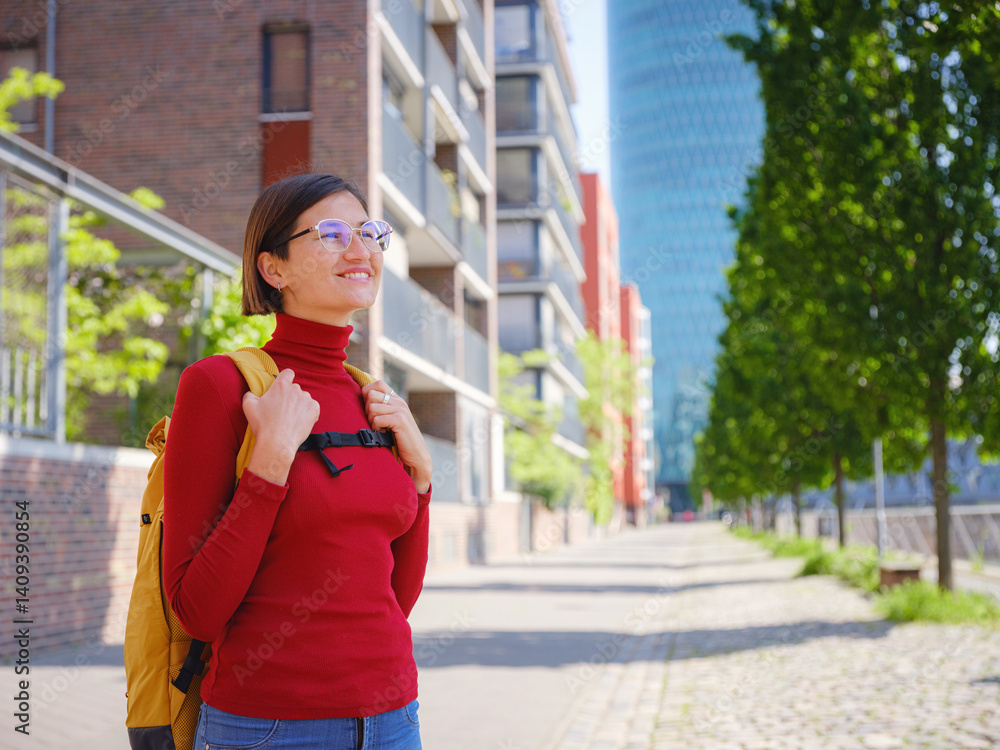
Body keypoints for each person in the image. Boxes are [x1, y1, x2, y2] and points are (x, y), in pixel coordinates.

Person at [163, 173, 432, 749]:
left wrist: (423, 480)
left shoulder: (374, 401)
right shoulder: (219, 387)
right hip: (270, 727)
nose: (360, 251)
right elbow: (197, 613)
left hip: (394, 720)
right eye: (332, 234)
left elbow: (392, 599)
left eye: (370, 233)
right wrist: (271, 461)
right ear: (273, 269)